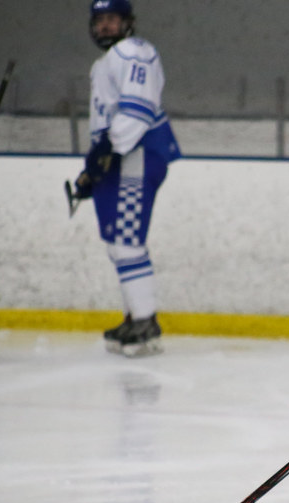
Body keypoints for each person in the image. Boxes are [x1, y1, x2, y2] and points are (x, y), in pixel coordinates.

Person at [72, 0, 179, 357]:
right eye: (99, 20)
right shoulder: (107, 61)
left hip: (137, 153)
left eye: (112, 19)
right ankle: (136, 315)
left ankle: (146, 323)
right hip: (121, 156)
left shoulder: (133, 52)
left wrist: (105, 153)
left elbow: (137, 110)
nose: (105, 26)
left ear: (128, 23)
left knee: (127, 242)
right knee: (118, 242)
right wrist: (94, 166)